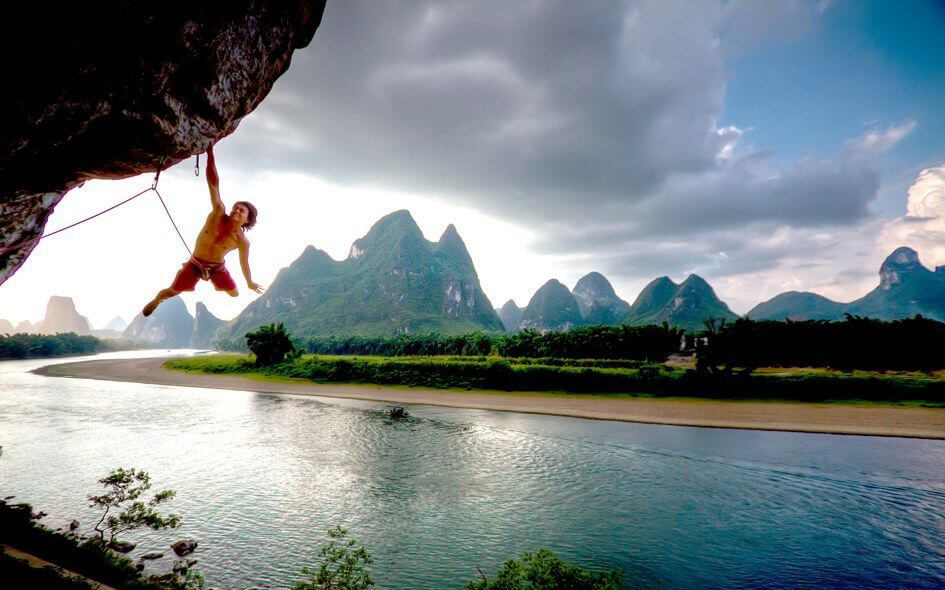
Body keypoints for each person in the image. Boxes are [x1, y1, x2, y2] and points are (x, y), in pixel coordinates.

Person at [142, 144, 264, 317]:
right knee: (172, 291)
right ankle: (156, 301)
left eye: (241, 211)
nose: (236, 210)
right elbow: (213, 183)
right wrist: (210, 153)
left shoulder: (242, 242)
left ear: (248, 220)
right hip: (195, 263)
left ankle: (223, 285)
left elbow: (244, 263)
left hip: (217, 269)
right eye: (235, 208)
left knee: (234, 293)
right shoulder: (218, 213)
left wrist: (250, 282)